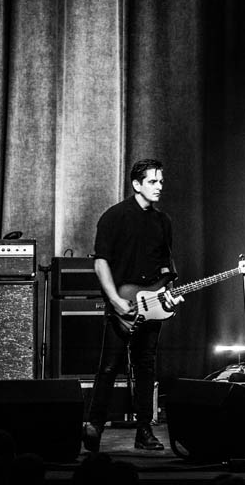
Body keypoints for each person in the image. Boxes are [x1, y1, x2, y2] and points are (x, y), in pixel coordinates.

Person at [82, 159, 179, 452]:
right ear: (136, 185)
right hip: (121, 302)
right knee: (109, 366)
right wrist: (114, 301)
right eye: (152, 181)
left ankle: (144, 431)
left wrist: (168, 293)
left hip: (152, 303)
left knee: (146, 367)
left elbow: (165, 266)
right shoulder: (114, 217)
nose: (159, 186)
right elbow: (101, 263)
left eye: (161, 181)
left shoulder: (164, 221)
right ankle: (94, 427)